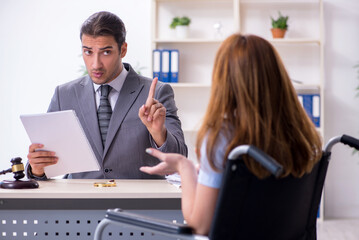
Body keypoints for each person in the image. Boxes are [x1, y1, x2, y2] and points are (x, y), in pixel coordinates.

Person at [140, 33, 322, 235]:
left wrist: (184, 167)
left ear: (223, 82)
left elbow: (200, 225)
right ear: (277, 76)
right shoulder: (303, 134)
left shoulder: (223, 136)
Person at [26, 11, 187, 180]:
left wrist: (159, 133)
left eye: (106, 52)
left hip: (138, 201)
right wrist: (37, 169)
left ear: (123, 50)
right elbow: (44, 164)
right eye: (88, 52)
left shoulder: (156, 92)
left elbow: (179, 160)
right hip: (80, 203)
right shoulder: (64, 95)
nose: (96, 64)